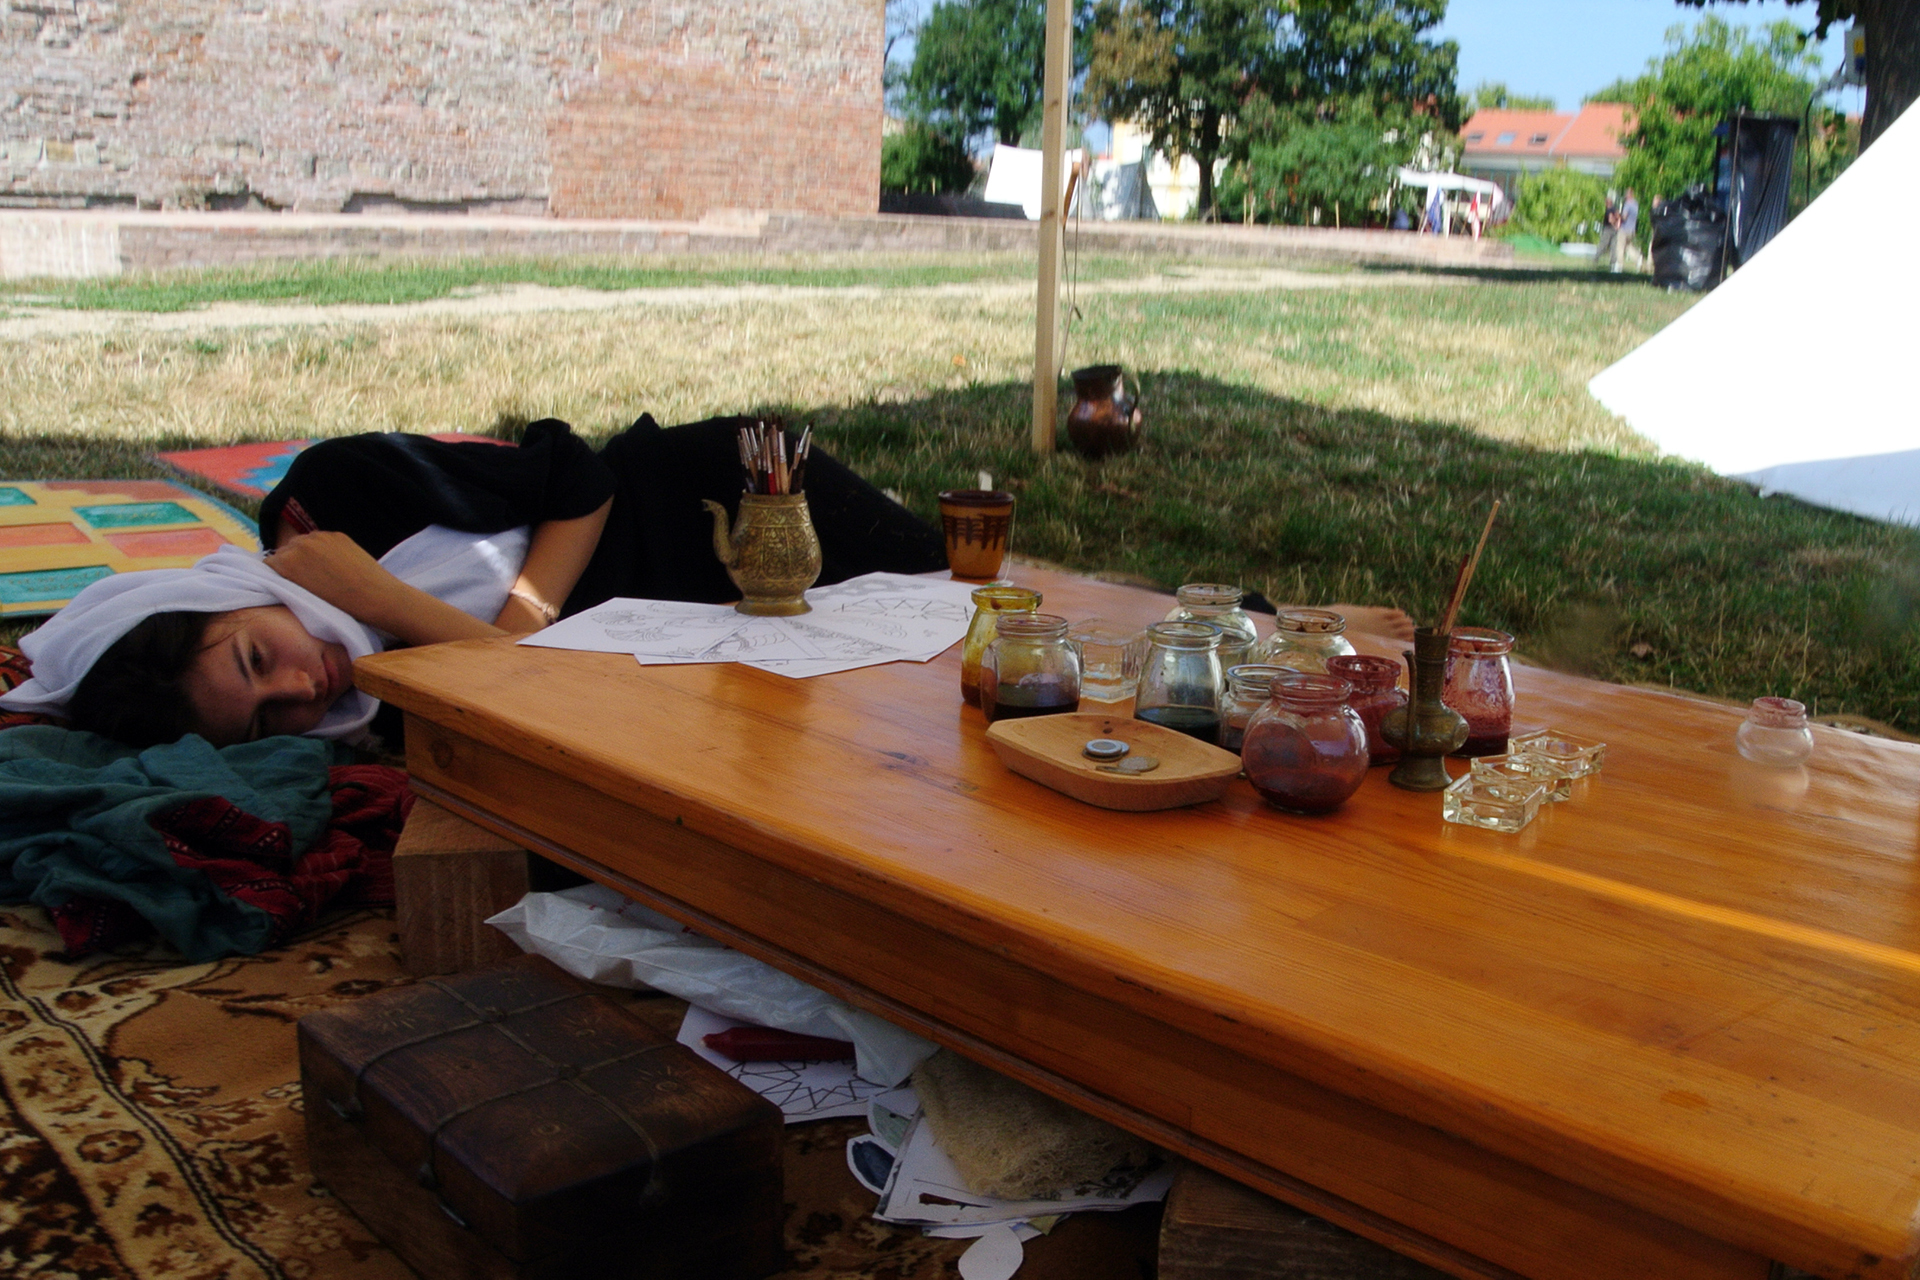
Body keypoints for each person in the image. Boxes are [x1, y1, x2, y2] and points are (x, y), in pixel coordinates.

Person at [1, 415, 948, 747]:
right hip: (707, 641)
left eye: (256, 658)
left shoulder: (335, 496)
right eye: (266, 720)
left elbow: (576, 473)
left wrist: (506, 620)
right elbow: (542, 682)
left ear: (223, 598)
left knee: (950, 595)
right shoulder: (368, 710)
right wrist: (404, 619)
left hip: (724, 508)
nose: (300, 688)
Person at [1612, 188, 1639, 272]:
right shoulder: (1635, 204)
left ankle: (1619, 265)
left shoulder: (1628, 204)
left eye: (1626, 195)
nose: (1625, 197)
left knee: (1620, 246)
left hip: (1625, 229)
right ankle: (1638, 259)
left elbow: (1624, 217)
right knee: (1628, 247)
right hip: (1632, 230)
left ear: (1629, 195)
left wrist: (1618, 215)